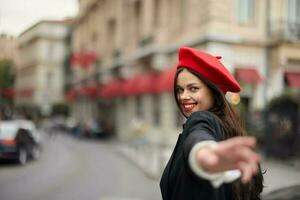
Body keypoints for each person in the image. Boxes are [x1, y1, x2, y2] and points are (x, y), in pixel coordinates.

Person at [160, 47, 264, 200]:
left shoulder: (200, 119)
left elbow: (199, 135)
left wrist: (202, 152)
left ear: (213, 92)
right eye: (180, 90)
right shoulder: (226, 126)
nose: (183, 96)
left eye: (193, 89)